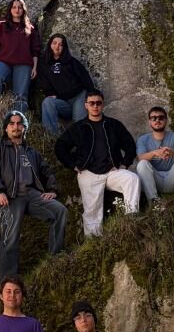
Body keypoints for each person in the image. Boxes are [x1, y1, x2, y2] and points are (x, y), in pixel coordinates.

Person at [0, 110, 68, 276]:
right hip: (10, 196)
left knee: (60, 211)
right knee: (10, 236)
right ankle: (8, 279)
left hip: (32, 194)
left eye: (19, 123)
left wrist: (52, 190)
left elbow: (46, 172)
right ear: (6, 128)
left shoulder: (31, 152)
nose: (16, 127)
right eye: (12, 124)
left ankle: (55, 261)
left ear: (24, 127)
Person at [54, 90, 141, 237]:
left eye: (98, 103)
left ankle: (130, 220)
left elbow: (130, 145)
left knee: (132, 179)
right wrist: (73, 164)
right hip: (88, 173)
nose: (95, 106)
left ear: (103, 105)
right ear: (86, 105)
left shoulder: (113, 125)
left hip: (112, 171)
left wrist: (124, 164)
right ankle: (94, 242)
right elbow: (60, 146)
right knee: (92, 212)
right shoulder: (79, 127)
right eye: (92, 103)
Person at [0, 0, 41, 112]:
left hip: (23, 64)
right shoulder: (1, 26)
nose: (17, 10)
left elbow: (35, 50)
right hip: (3, 62)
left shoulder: (30, 28)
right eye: (14, 7)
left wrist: (35, 67)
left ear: (23, 10)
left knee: (20, 95)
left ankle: (19, 119)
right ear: (10, 10)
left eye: (20, 7)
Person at [39, 33, 97, 135]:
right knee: (47, 102)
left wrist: (91, 97)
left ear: (64, 47)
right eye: (54, 43)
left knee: (78, 125)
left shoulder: (71, 62)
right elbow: (44, 82)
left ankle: (80, 147)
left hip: (78, 98)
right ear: (49, 45)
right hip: (63, 102)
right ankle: (51, 139)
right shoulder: (43, 64)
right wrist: (50, 93)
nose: (57, 46)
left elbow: (86, 78)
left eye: (60, 44)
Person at [135, 106, 174, 202]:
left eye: (161, 118)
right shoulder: (143, 139)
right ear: (149, 121)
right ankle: (153, 201)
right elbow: (140, 157)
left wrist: (172, 152)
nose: (157, 120)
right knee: (142, 164)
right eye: (154, 118)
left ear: (166, 120)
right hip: (154, 180)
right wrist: (155, 153)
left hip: (172, 178)